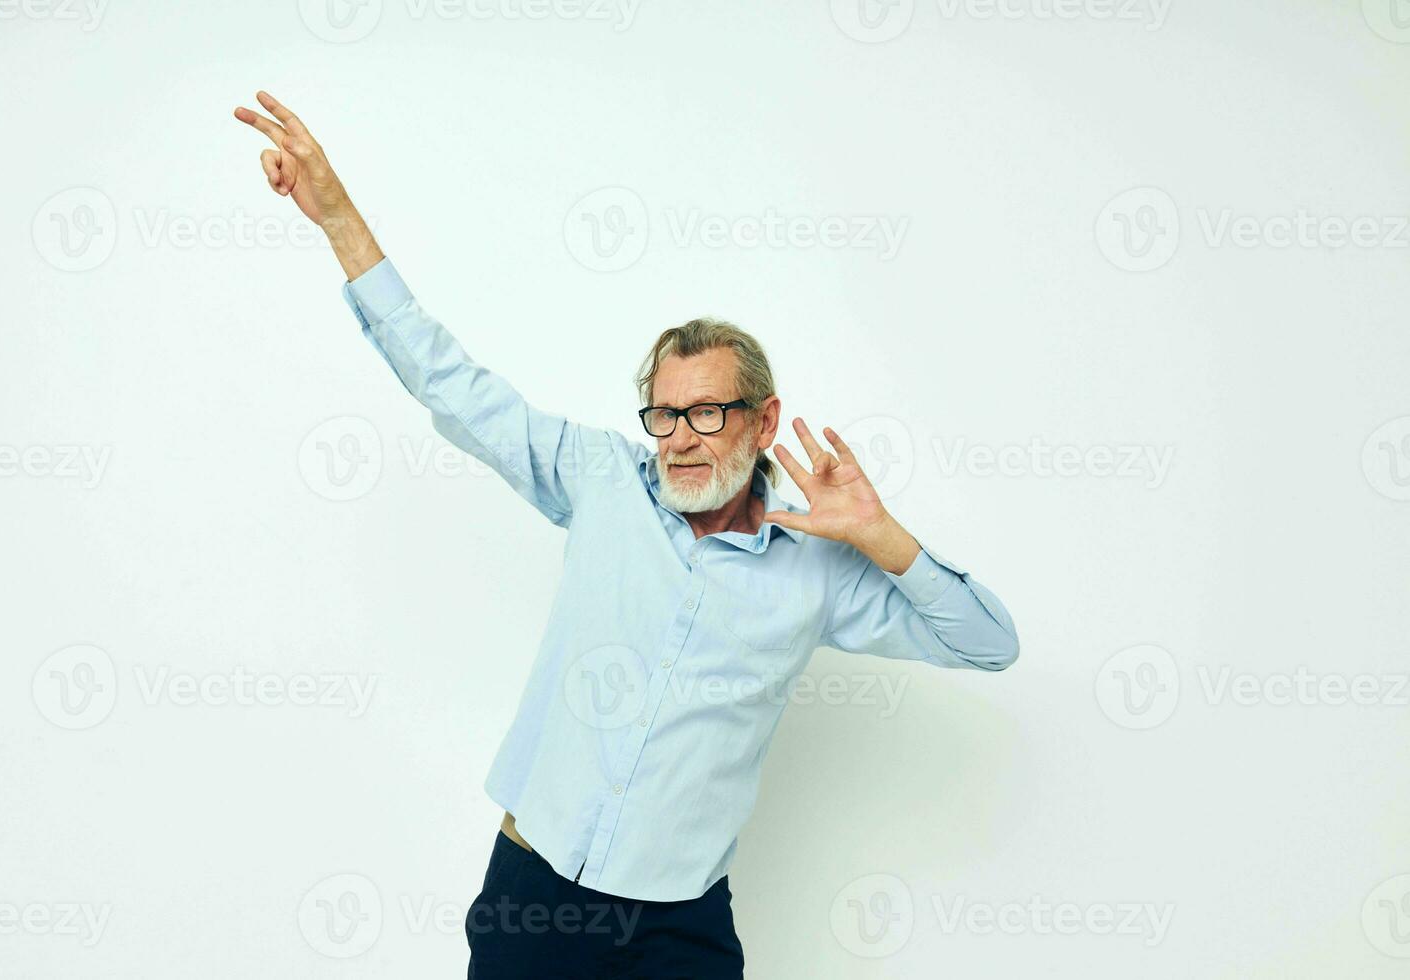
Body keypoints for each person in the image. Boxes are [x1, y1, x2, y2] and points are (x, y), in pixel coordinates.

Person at [235, 90, 1020, 980]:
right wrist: (335, 214)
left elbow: (991, 645)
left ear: (763, 422)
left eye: (706, 413)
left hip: (683, 922)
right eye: (663, 413)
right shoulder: (600, 479)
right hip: (538, 893)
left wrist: (882, 536)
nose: (680, 438)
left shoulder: (823, 571)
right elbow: (447, 380)